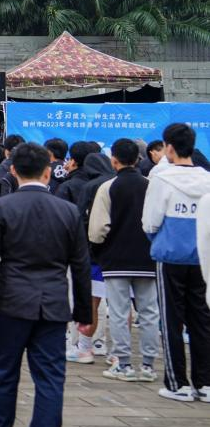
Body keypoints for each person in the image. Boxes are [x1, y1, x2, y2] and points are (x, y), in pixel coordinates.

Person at [0, 142, 91, 427]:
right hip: (53, 303)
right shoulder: (68, 210)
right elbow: (80, 265)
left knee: (3, 372)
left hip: (11, 301)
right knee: (50, 376)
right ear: (49, 171)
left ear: (14, 170)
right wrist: (84, 315)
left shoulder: (3, 207)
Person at [141, 122, 210, 402]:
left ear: (168, 148)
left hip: (170, 256)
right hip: (203, 259)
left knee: (171, 320)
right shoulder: (206, 179)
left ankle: (177, 383)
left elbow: (150, 222)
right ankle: (204, 384)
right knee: (202, 321)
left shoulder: (162, 179)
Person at [88, 138, 159, 383]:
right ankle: (149, 365)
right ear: (139, 159)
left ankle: (123, 364)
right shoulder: (151, 185)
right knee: (150, 312)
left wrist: (100, 250)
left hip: (116, 260)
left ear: (114, 159)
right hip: (148, 259)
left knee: (118, 312)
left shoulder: (108, 187)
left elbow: (97, 230)